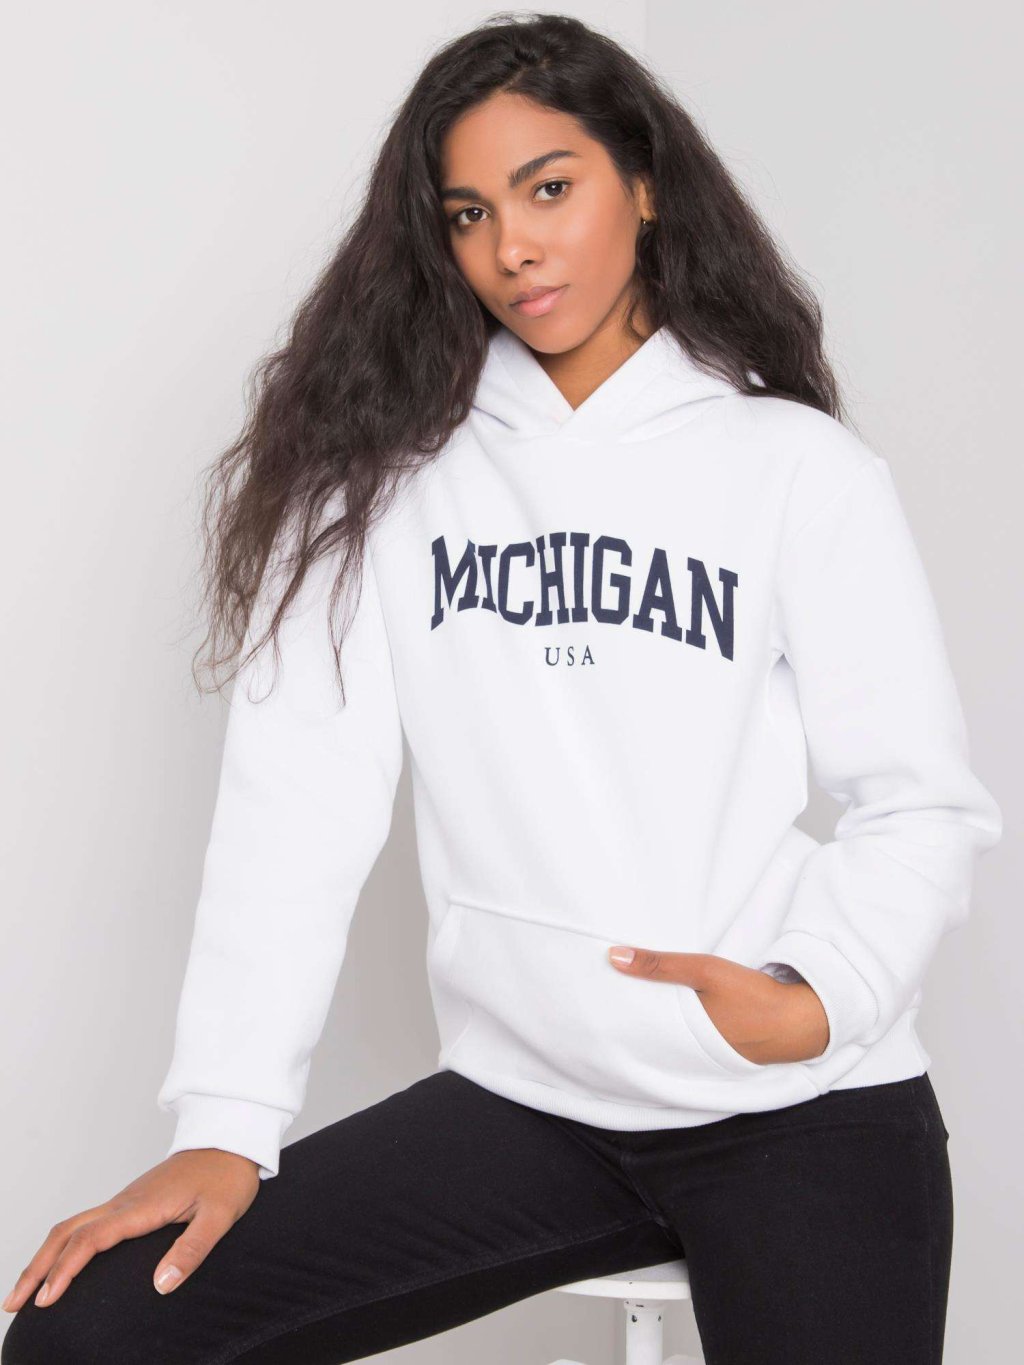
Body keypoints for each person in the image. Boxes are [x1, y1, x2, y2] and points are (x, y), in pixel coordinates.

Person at [2, 13, 1001, 1364]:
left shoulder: (794, 468)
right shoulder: (383, 480)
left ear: (643, 186)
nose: (511, 246)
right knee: (88, 1335)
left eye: (549, 188)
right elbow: (294, 806)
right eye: (468, 213)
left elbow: (919, 802)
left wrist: (819, 993)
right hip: (532, 1106)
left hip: (799, 1106)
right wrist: (225, 1123)